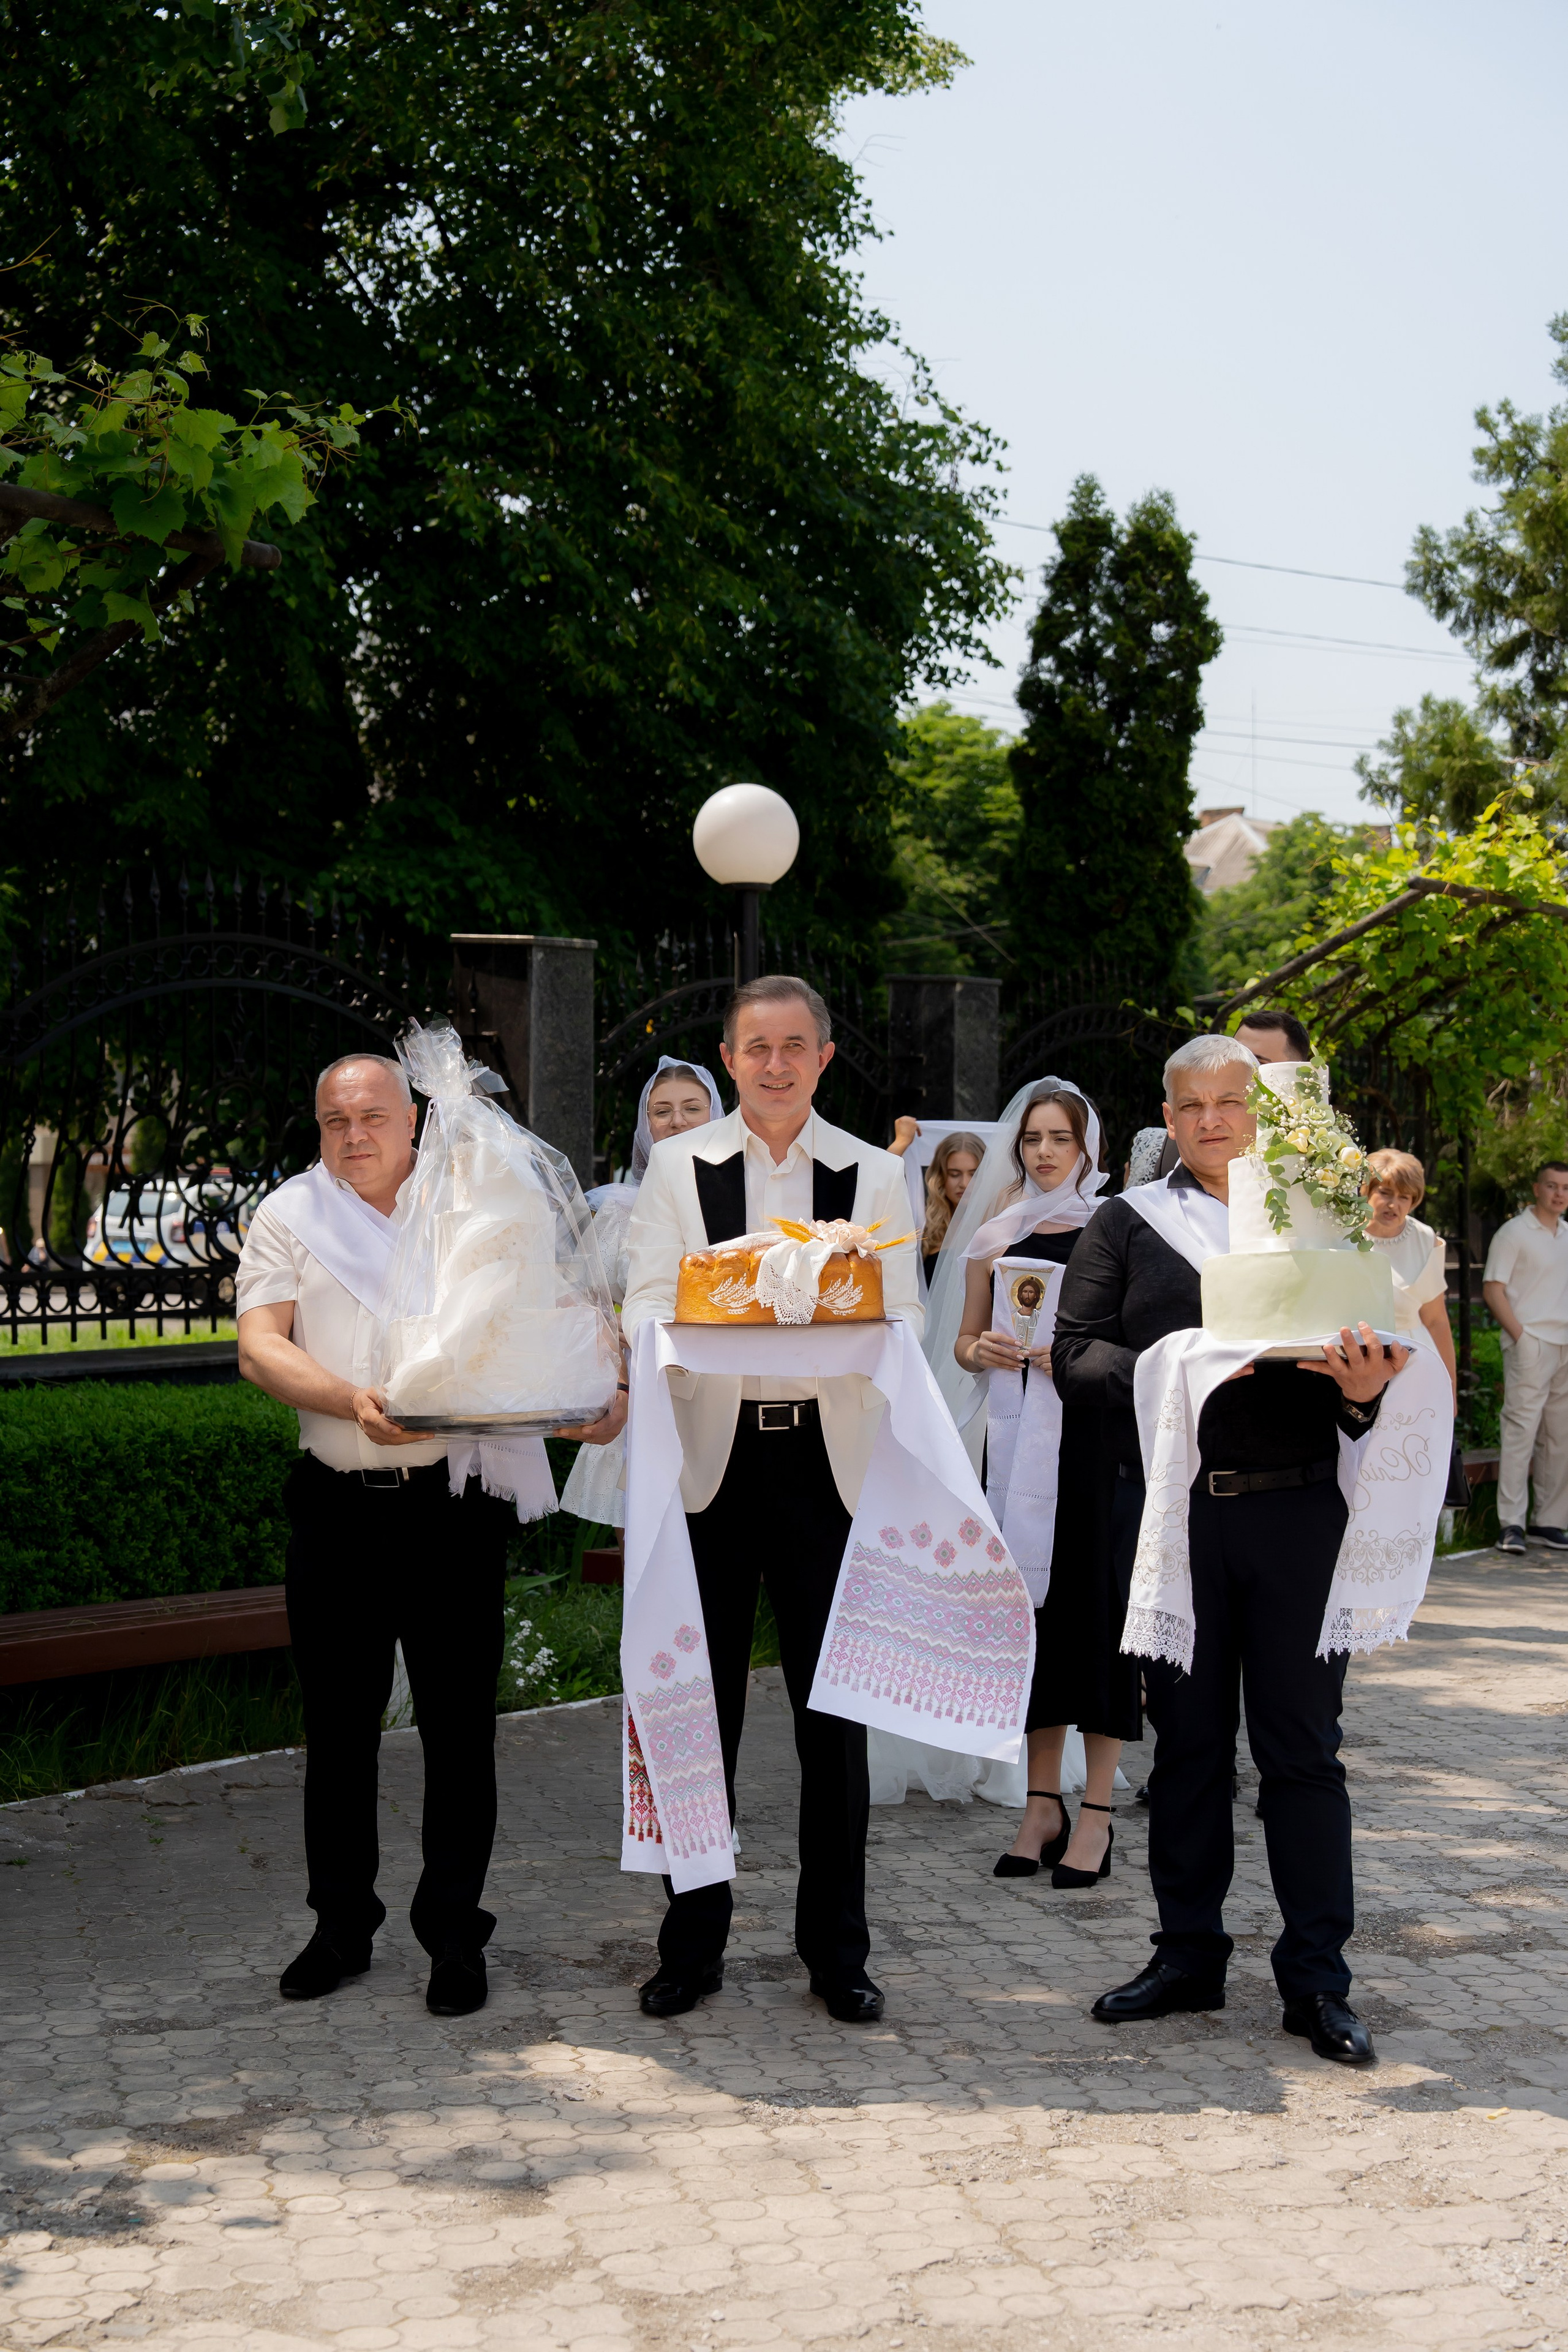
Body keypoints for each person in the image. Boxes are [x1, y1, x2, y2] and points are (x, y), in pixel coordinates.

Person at [236, 1053, 624, 2016]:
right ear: (318, 1128)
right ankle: (340, 1926)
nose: (354, 1135)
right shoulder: (292, 1212)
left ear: (412, 1119)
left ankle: (454, 1932)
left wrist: (594, 1390)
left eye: (373, 1116)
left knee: (458, 1728)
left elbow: (554, 1318)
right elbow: (260, 1344)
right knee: (338, 1728)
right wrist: (351, 1401)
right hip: (337, 1503)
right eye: (336, 1121)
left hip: (453, 1506)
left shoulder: (472, 1206)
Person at [1054, 1034, 1403, 2064]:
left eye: (1232, 1102)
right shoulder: (1128, 1221)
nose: (1212, 1120)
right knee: (1191, 1748)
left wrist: (1364, 1394)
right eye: (1192, 1105)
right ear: (1168, 1119)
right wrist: (1184, 1365)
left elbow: (1363, 1359)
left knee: (1303, 1753)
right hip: (1180, 1519)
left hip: (1299, 1516)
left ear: (1264, 1115)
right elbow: (1073, 1357)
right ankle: (1188, 1958)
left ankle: (1318, 1982)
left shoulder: (1317, 1217)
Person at [621, 974, 919, 2025]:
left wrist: (827, 1304)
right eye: (758, 1047)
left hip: (826, 1469)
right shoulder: (678, 1167)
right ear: (731, 1057)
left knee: (833, 1722)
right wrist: (728, 1309)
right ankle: (690, 1944)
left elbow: (900, 1315)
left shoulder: (874, 1173)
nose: (777, 1064)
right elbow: (647, 1300)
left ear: (825, 1058)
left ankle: (837, 1952)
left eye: (797, 1046)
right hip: (709, 1465)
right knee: (696, 1710)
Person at [924, 1083, 1135, 1885]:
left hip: (1096, 1453)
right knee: (1033, 1623)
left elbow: (1138, 1341)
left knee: (1099, 1625)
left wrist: (1076, 1359)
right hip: (1015, 1453)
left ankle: (1098, 1814)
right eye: (1034, 1139)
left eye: (1061, 1138)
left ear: (1089, 1146)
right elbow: (964, 1341)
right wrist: (984, 1352)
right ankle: (1041, 1806)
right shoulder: (997, 1231)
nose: (1045, 1152)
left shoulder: (1118, 1223)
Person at [559, 1058, 723, 1531]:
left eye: (692, 1108)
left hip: (725, 1388)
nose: (677, 1121)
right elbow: (584, 1300)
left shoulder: (746, 1200)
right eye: (662, 1111)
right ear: (645, 1123)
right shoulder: (617, 1207)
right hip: (642, 1388)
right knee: (643, 1549)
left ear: (716, 1114)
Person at [1482, 1160, 1568, 1556]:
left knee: (1559, 1437)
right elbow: (1493, 1289)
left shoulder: (1566, 1235)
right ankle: (1511, 1524)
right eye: (1552, 1186)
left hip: (1564, 1344)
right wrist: (1521, 1337)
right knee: (1520, 1432)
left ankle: (1548, 1522)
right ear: (1537, 1189)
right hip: (1530, 1342)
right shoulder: (1513, 1233)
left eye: (1565, 1188)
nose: (1559, 1194)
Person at [1126, 1008, 1311, 1183]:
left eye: (1258, 1063)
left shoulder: (1316, 1155)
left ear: (1296, 1076)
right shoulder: (1165, 1146)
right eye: (1234, 1055)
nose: (1239, 1068)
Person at [1364, 1150, 1457, 1401]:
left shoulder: (1424, 1238)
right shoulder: (1342, 1234)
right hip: (1359, 1359)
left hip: (1415, 1358)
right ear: (1367, 1190)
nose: (1393, 1204)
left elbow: (1436, 1319)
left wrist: (1450, 1386)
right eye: (1385, 1193)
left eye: (1404, 1197)